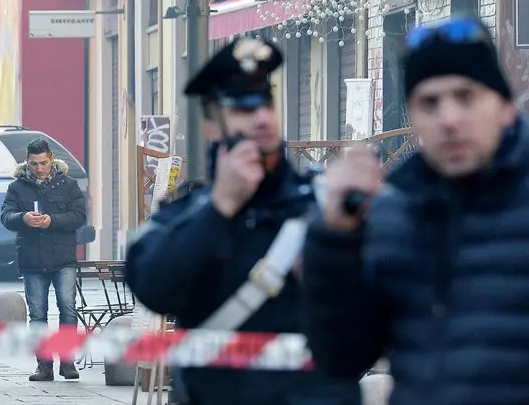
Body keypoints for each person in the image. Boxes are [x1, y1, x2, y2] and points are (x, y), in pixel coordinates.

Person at [302, 16, 529, 405]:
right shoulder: (394, 213)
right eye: (430, 103)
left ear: (505, 107)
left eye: (466, 96)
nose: (449, 119)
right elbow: (342, 358)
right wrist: (335, 238)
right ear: (413, 115)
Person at [124, 36, 361, 405]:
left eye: (266, 102)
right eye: (243, 108)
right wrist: (220, 207)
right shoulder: (185, 214)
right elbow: (154, 288)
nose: (262, 118)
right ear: (212, 126)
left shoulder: (322, 202)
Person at [0, 138, 86, 382]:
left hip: (63, 258)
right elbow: (6, 216)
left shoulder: (68, 185)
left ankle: (67, 360)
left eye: (43, 163)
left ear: (52, 160)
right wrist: (23, 217)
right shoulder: (17, 187)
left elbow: (79, 216)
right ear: (27, 162)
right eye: (34, 163)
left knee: (68, 308)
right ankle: (44, 365)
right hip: (32, 259)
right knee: (37, 313)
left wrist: (53, 221)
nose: (39, 168)